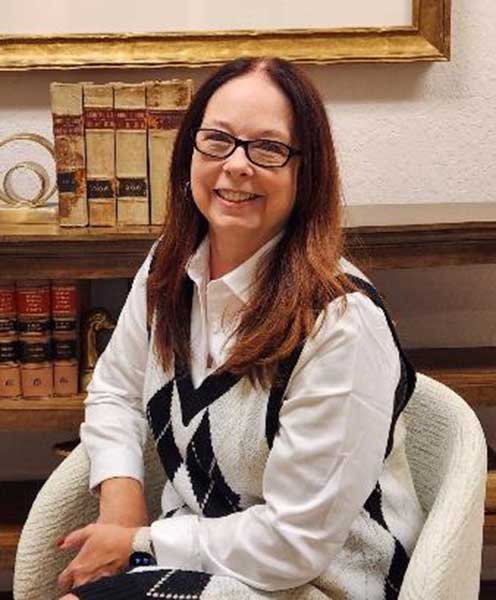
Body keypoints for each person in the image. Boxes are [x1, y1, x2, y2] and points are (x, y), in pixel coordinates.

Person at [57, 56, 424, 600]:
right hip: (200, 553)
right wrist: (121, 504)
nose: (236, 165)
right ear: (189, 152)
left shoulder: (341, 322)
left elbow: (294, 545)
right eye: (217, 140)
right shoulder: (168, 269)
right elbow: (115, 390)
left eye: (268, 148)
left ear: (307, 172)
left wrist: (138, 542)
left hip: (319, 581)